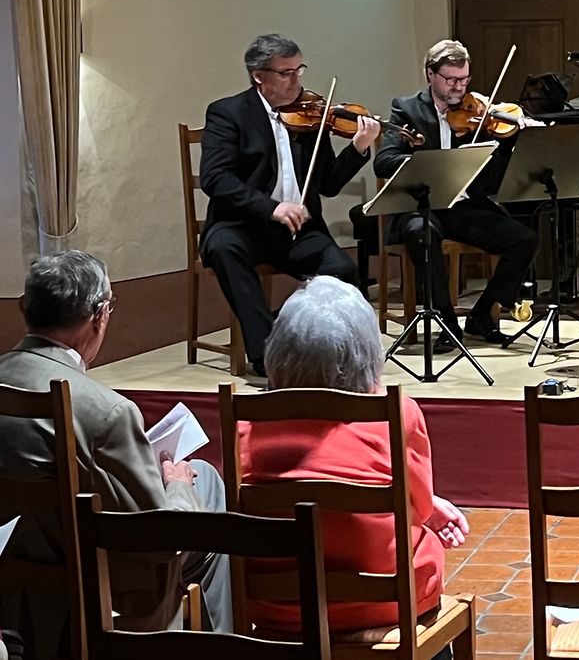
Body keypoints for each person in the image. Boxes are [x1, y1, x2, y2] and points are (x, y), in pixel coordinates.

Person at [0, 252, 230, 657]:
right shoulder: (106, 410)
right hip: (105, 580)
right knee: (204, 483)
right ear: (99, 316)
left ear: (24, 307)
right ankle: (218, 644)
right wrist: (177, 486)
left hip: (18, 567)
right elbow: (159, 540)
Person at [239, 276, 468, 650]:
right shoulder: (397, 414)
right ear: (364, 352)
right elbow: (419, 508)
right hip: (384, 603)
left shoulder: (247, 424)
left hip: (277, 606)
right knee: (422, 545)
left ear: (278, 351)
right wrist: (427, 505)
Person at [198, 33, 381, 377]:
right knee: (224, 249)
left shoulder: (310, 116)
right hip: (242, 226)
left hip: (297, 231)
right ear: (258, 76)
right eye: (286, 73)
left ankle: (289, 334)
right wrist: (271, 207)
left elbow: (328, 184)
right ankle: (266, 354)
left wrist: (358, 147)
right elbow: (215, 178)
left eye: (299, 70)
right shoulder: (228, 113)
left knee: (342, 271)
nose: (297, 80)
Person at [374, 39, 539, 348]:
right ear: (430, 74)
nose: (459, 87)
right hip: (421, 206)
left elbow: (491, 182)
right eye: (451, 79)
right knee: (421, 234)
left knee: (524, 239)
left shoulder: (478, 115)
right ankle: (447, 322)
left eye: (464, 79)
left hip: (462, 208)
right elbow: (383, 162)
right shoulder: (406, 109)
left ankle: (482, 315)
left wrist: (507, 143)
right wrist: (427, 162)